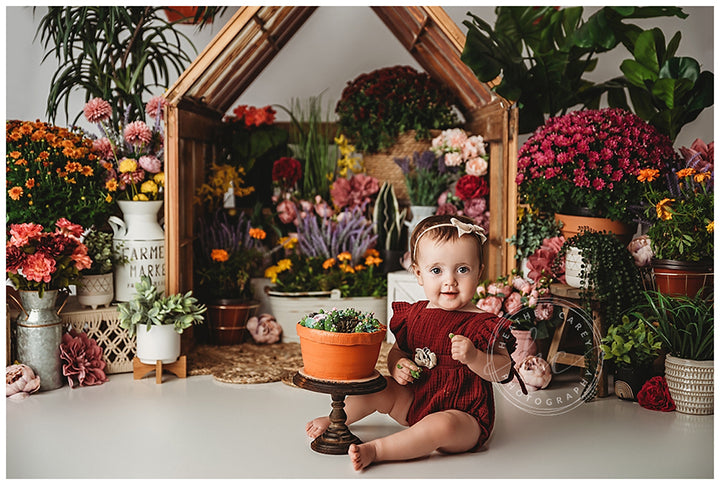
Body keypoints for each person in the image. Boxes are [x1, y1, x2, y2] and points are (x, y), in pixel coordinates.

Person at [305, 214, 526, 471]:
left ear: (479, 272)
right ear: (419, 274)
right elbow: (397, 352)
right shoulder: (415, 316)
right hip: (416, 401)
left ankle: (378, 450)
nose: (450, 280)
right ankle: (337, 419)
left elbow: (503, 370)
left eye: (462, 269)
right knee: (379, 387)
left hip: (465, 419)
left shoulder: (484, 325)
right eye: (436, 270)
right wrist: (398, 365)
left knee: (442, 425)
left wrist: (475, 357)